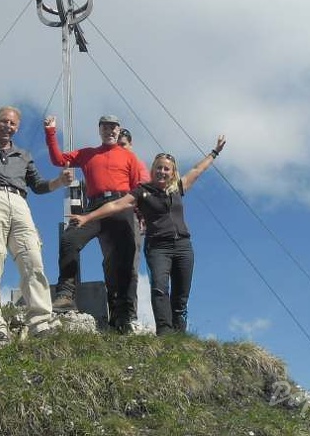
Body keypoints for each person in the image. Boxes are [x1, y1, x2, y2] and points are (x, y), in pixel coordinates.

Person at [68, 135, 227, 336]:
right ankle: (165, 332)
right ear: (153, 170)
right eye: (159, 168)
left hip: (183, 246)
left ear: (172, 172)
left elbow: (198, 169)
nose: (162, 171)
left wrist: (215, 152)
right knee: (159, 288)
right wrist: (87, 217)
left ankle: (179, 332)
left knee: (181, 295)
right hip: (158, 247)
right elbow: (116, 205)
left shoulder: (178, 188)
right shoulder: (142, 191)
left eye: (166, 169)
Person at [0, 106, 74, 342]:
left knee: (33, 259)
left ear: (17, 128)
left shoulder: (24, 155)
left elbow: (37, 185)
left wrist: (59, 181)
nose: (8, 126)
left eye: (13, 123)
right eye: (4, 121)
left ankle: (40, 322)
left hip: (19, 202)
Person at [44, 114, 145, 333]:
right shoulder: (88, 153)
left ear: (119, 131)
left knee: (124, 262)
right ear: (99, 131)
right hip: (95, 207)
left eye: (113, 128)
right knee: (70, 238)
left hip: (122, 207)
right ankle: (65, 294)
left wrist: (141, 215)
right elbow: (58, 160)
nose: (109, 131)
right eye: (105, 128)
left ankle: (122, 316)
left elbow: (139, 188)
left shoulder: (129, 157)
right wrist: (51, 132)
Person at [115, 127, 151, 328]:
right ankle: (116, 312)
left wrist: (143, 217)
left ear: (130, 144)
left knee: (130, 266)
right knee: (111, 265)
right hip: (111, 216)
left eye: (124, 145)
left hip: (133, 218)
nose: (120, 149)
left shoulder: (137, 164)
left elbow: (145, 191)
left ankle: (129, 314)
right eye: (118, 145)